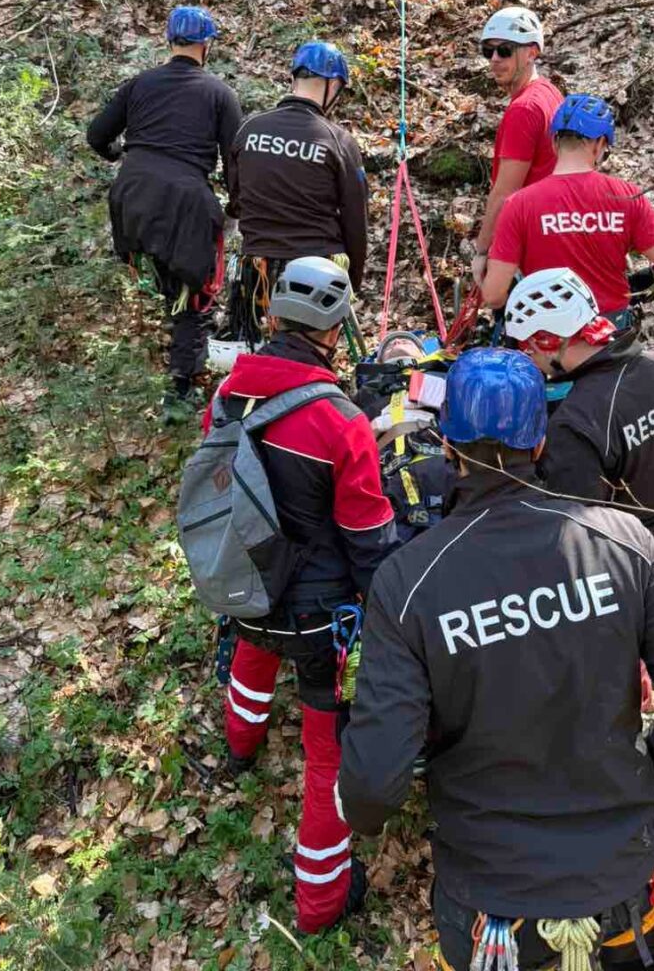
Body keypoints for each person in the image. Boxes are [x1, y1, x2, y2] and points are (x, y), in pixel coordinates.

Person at [338, 347, 654, 971]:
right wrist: (641, 786)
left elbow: (374, 782)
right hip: (627, 891)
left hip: (494, 903)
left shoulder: (408, 583)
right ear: (540, 439)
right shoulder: (622, 540)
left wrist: (357, 811)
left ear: (447, 443)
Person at [206, 256, 398, 934]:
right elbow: (368, 537)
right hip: (320, 623)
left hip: (245, 588)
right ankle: (317, 906)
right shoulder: (341, 421)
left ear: (274, 316)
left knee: (252, 660)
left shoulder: (229, 394)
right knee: (326, 758)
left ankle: (239, 748)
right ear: (334, 329)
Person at [86, 5, 243, 415]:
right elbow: (236, 160)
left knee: (168, 277)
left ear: (169, 41)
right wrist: (239, 206)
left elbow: (96, 135)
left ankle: (166, 324)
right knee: (194, 294)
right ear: (206, 44)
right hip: (186, 201)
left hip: (132, 197)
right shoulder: (218, 94)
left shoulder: (139, 84)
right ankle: (180, 389)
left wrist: (120, 153)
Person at [506, 268, 654, 576]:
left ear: (546, 341)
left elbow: (574, 525)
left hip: (623, 567)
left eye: (527, 349)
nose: (530, 361)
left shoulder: (576, 423)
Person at [482, 93, 654, 320]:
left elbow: (493, 295)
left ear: (554, 142)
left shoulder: (518, 205)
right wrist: (643, 281)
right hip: (611, 336)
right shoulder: (627, 197)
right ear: (600, 143)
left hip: (544, 339)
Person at [225, 41, 368, 346]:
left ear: (294, 78)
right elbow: (356, 222)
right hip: (315, 272)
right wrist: (351, 282)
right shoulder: (339, 141)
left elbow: (236, 201)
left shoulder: (248, 130)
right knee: (307, 352)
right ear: (333, 85)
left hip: (257, 268)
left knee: (257, 350)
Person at [471, 6, 564, 289]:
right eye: (489, 51)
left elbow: (505, 192)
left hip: (530, 243)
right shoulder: (550, 93)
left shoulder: (524, 109)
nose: (495, 59)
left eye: (505, 50)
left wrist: (483, 251)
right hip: (553, 233)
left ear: (531, 53)